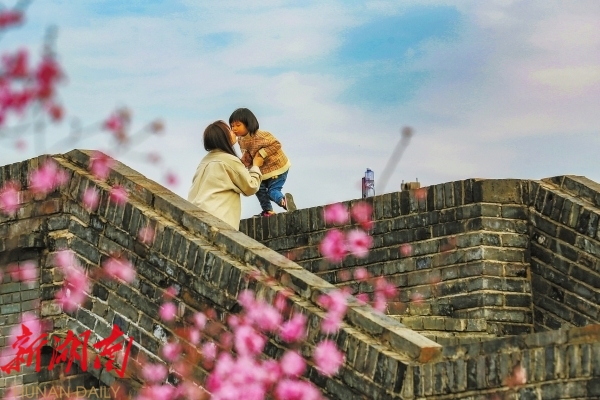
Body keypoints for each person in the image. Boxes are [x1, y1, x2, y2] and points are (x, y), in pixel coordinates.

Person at [187, 120, 263, 230]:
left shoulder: (205, 161)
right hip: (218, 221)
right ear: (223, 137)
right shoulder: (229, 160)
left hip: (198, 218)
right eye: (229, 130)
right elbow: (251, 186)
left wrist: (242, 165)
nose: (233, 131)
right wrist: (256, 166)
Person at [229, 107, 296, 217]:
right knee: (258, 188)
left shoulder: (260, 135)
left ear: (248, 124)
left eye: (238, 125)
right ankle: (268, 210)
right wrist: (245, 161)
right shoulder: (241, 140)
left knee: (272, 191)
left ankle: (284, 201)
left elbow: (276, 144)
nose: (234, 128)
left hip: (276, 167)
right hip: (262, 170)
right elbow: (248, 153)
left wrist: (261, 153)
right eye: (232, 126)